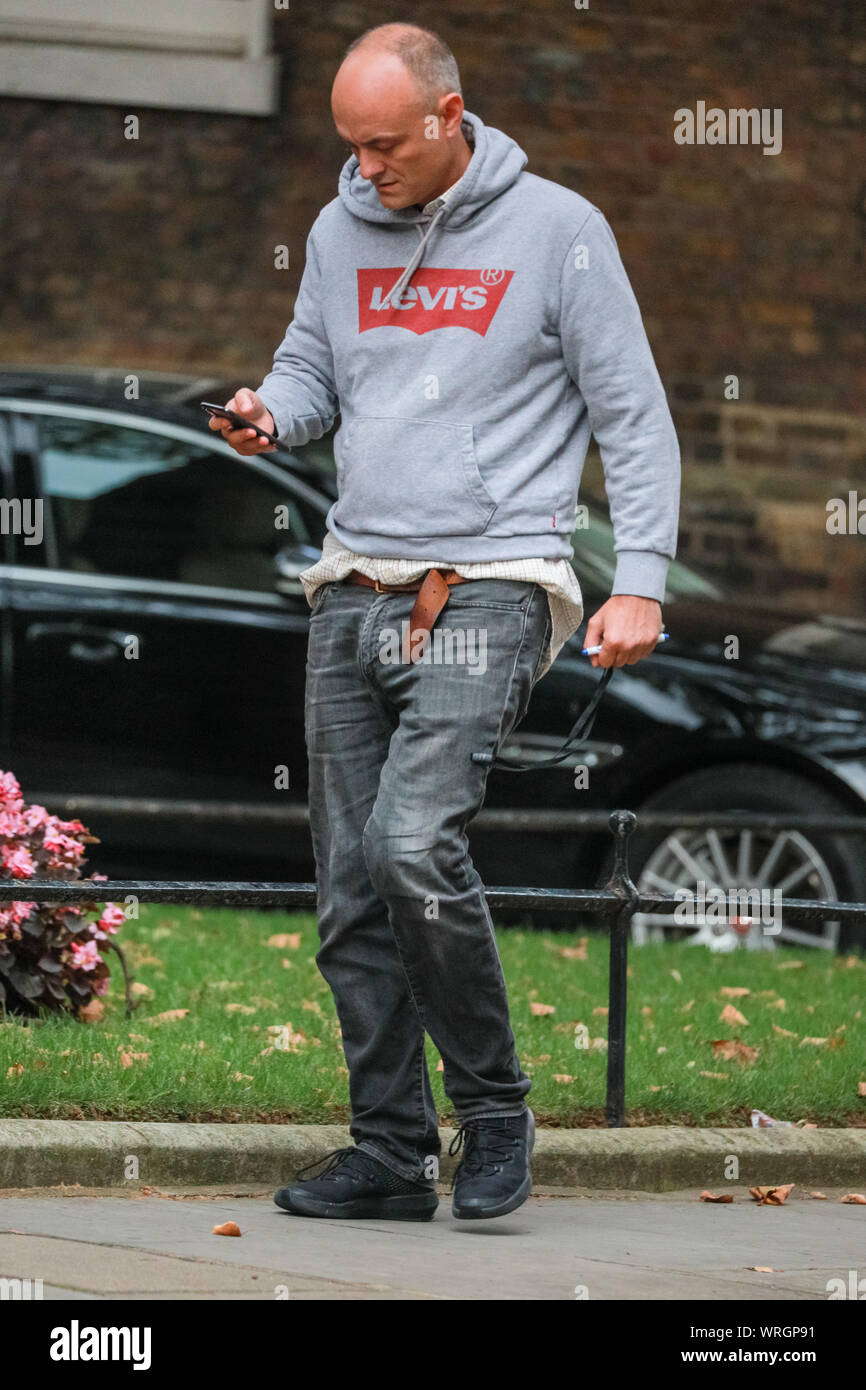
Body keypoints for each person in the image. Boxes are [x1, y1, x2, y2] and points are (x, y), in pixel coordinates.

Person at [211, 22, 681, 1222]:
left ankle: (494, 1109)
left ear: (446, 114)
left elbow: (629, 412)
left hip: (491, 579)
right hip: (350, 580)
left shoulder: (558, 232)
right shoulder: (335, 230)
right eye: (349, 148)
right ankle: (386, 1148)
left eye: (382, 146)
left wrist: (640, 578)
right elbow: (315, 373)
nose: (364, 169)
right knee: (349, 886)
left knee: (413, 840)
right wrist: (272, 410)